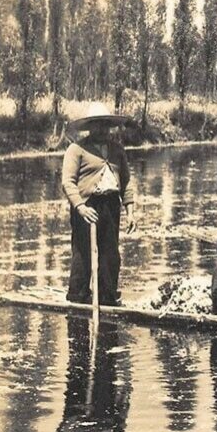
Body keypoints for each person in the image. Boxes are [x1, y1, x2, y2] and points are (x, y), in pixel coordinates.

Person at [62, 102, 136, 306]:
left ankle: (107, 297)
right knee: (82, 252)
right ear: (89, 127)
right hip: (87, 204)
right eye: (97, 125)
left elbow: (127, 181)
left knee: (110, 253)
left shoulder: (117, 149)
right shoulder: (76, 149)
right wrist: (81, 207)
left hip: (111, 204)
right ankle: (78, 296)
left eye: (105, 125)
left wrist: (130, 212)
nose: (102, 129)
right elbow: (68, 182)